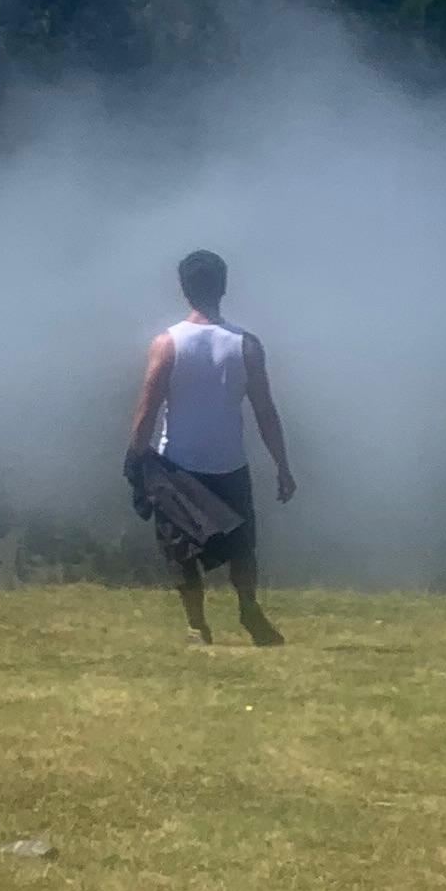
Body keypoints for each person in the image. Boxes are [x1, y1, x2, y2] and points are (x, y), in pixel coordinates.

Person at [125, 250, 294, 645]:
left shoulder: (166, 344)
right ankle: (249, 610)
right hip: (229, 462)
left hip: (177, 464)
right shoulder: (246, 345)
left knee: (179, 551)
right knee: (241, 548)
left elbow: (147, 406)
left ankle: (197, 625)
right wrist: (282, 465)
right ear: (223, 286)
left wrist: (135, 459)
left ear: (184, 289)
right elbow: (265, 411)